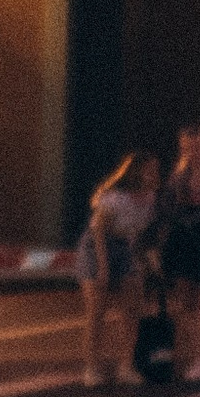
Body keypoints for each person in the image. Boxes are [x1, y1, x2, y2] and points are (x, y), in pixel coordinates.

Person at [76, 149, 161, 385]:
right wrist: (103, 268)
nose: (155, 174)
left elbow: (142, 234)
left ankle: (126, 366)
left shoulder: (152, 198)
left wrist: (145, 261)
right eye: (149, 170)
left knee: (132, 310)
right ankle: (92, 368)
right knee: (97, 310)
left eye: (156, 170)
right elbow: (99, 230)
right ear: (136, 173)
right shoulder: (116, 197)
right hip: (97, 247)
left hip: (125, 246)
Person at [155, 125, 200, 382]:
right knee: (189, 304)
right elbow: (166, 211)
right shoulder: (178, 177)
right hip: (184, 243)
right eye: (187, 147)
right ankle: (199, 359)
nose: (194, 152)